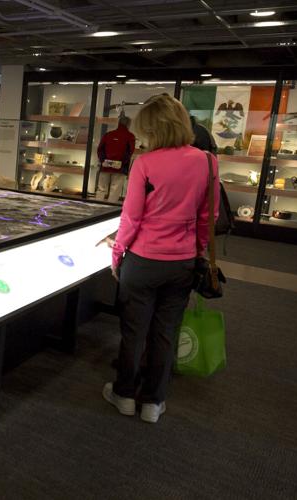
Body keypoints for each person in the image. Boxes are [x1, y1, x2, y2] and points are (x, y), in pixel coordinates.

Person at [100, 94, 219, 424]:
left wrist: (117, 252)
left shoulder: (145, 163)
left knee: (133, 331)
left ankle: (124, 395)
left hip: (141, 261)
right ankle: (153, 402)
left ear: (154, 129)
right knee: (166, 332)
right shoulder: (208, 161)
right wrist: (197, 252)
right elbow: (209, 216)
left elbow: (132, 217)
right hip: (181, 263)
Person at [96, 114, 136, 202]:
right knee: (115, 189)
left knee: (101, 188)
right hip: (120, 167)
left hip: (105, 165)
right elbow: (129, 152)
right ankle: (109, 210)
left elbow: (100, 149)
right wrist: (123, 162)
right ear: (129, 124)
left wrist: (103, 160)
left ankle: (96, 205)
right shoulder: (130, 136)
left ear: (118, 123)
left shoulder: (108, 134)